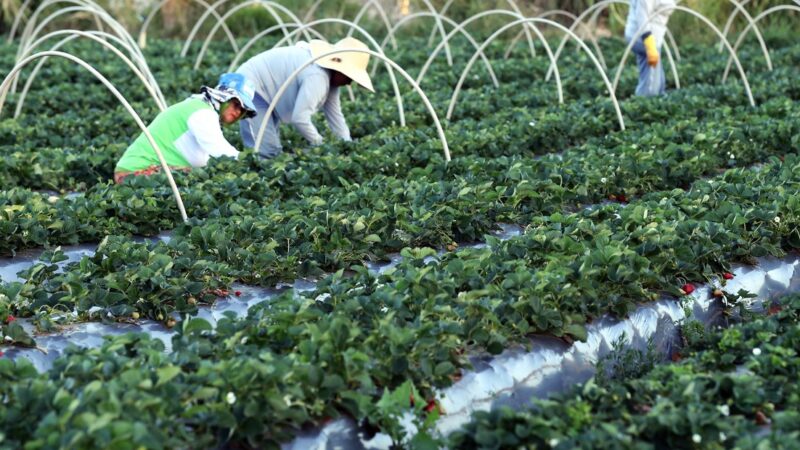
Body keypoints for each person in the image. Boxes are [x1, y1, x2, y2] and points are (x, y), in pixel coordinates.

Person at [235, 37, 374, 158]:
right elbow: (300, 118)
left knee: (270, 150)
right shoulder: (317, 77)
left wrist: (347, 145)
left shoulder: (330, 79)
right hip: (250, 86)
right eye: (349, 76)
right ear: (339, 69)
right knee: (264, 152)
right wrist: (320, 144)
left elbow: (335, 116)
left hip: (267, 90)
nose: (350, 83)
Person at [114, 73, 257, 183]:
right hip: (135, 173)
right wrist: (252, 164)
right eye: (235, 104)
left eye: (243, 110)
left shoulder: (201, 108)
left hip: (143, 170)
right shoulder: (202, 112)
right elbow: (220, 151)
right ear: (223, 98)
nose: (238, 111)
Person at [624, 0, 676, 97]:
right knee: (651, 87)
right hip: (644, 37)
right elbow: (642, 15)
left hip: (650, 38)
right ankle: (643, 106)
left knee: (658, 82)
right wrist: (648, 41)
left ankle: (654, 102)